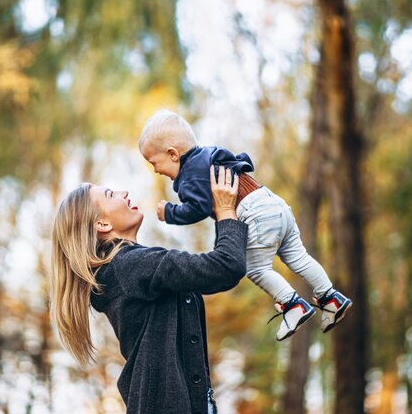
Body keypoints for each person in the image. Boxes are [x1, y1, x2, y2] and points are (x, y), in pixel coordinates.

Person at [138, 109, 352, 341]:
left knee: (256, 268)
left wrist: (169, 212)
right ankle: (331, 298)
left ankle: (293, 305)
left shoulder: (190, 174)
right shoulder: (210, 155)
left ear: (172, 154)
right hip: (272, 202)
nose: (156, 171)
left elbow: (197, 208)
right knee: (299, 257)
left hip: (255, 213)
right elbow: (244, 160)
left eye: (154, 163)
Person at [50, 165, 248, 414]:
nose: (122, 193)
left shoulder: (128, 269)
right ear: (101, 223)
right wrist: (226, 210)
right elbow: (226, 266)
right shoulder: (130, 265)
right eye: (111, 194)